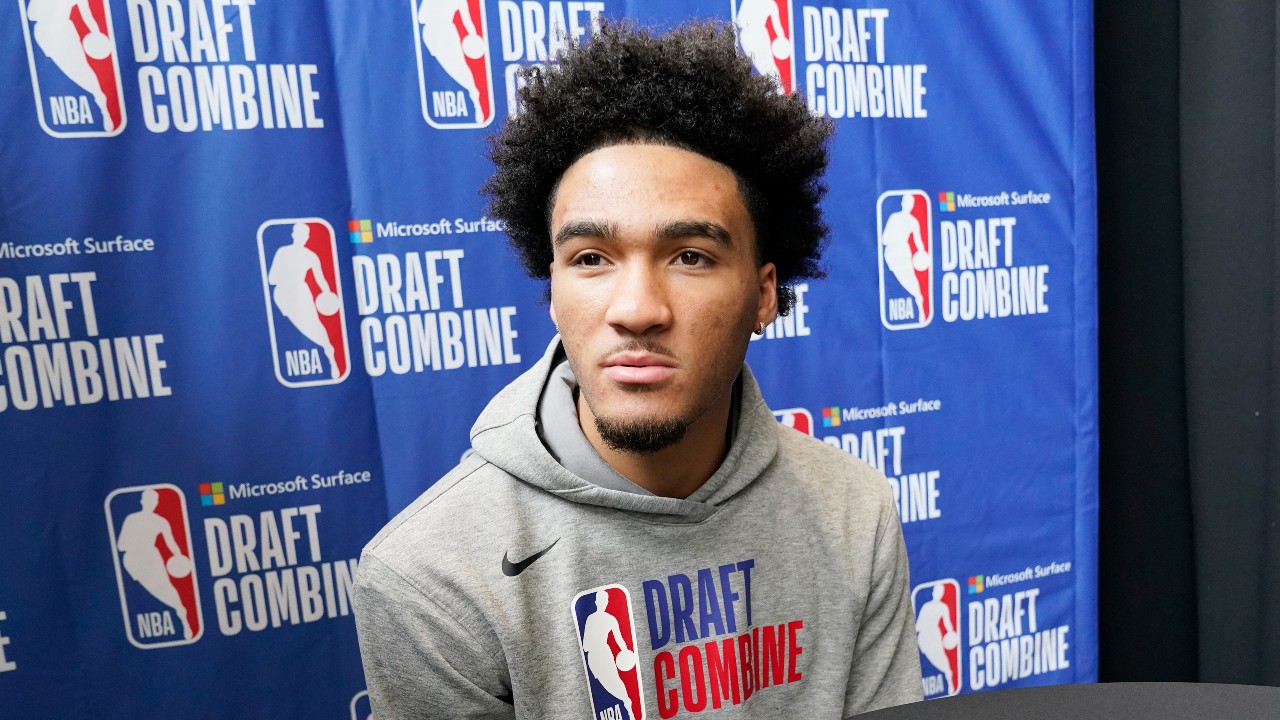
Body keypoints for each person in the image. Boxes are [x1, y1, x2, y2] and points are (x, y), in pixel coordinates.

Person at [353, 20, 922, 719]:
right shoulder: (431, 575)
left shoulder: (853, 510)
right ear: (553, 289)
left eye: (691, 256)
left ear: (765, 295)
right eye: (591, 258)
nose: (638, 310)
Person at [116, 489, 193, 640]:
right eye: (148, 500)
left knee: (167, 588)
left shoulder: (161, 521)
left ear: (156, 503)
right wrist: (136, 544)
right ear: (142, 501)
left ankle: (183, 617)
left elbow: (171, 543)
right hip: (132, 561)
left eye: (154, 500)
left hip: (153, 558)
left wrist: (178, 556)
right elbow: (120, 545)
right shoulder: (131, 519)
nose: (151, 503)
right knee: (144, 592)